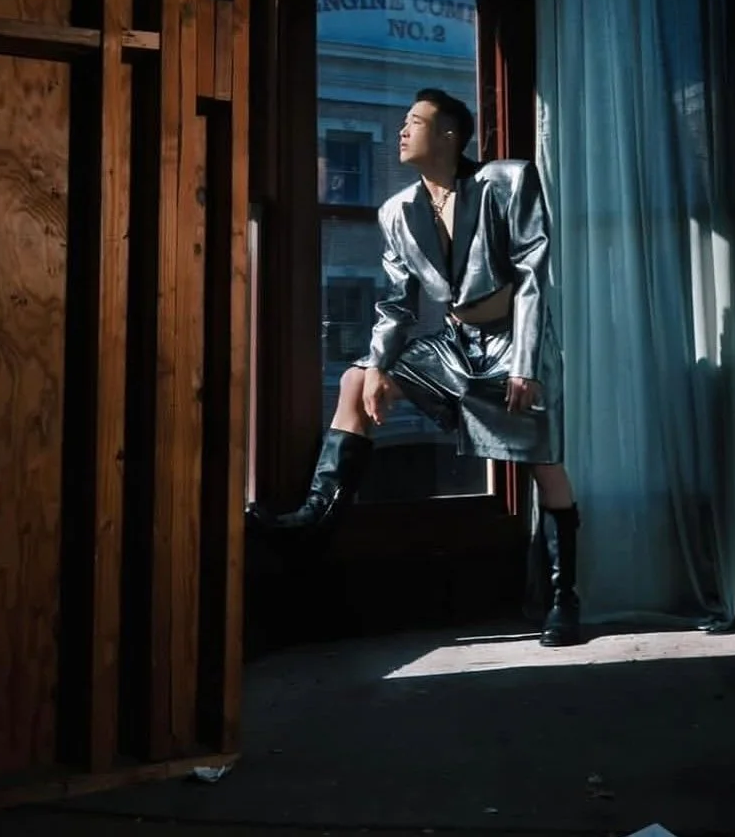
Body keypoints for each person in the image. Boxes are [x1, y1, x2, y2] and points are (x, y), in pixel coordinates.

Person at [246, 88, 581, 647]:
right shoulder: (396, 212)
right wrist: (379, 366)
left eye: (414, 122)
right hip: (455, 345)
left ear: (449, 135)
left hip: (516, 348)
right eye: (400, 122)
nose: (402, 131)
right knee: (355, 381)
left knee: (543, 462)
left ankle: (561, 597)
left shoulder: (508, 182)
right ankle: (311, 523)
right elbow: (397, 304)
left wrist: (526, 365)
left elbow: (531, 275)